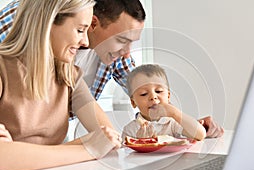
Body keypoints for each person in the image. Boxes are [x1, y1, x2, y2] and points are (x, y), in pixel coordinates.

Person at [0, 0, 224, 138]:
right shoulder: (22, 23)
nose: (127, 53)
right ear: (93, 24)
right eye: (122, 40)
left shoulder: (76, 73)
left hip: (50, 147)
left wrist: (186, 122)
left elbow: (150, 98)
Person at [0, 0, 123, 170]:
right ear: (48, 23)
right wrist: (86, 148)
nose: (85, 42)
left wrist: (87, 145)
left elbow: (107, 140)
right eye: (80, 30)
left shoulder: (69, 75)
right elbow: (2, 160)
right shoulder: (3, 69)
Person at [123, 64, 207, 141]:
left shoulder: (172, 122)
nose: (153, 97)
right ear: (133, 102)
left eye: (158, 91)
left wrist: (175, 113)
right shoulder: (130, 130)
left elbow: (200, 134)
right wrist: (139, 142)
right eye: (144, 94)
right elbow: (124, 156)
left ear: (168, 96)